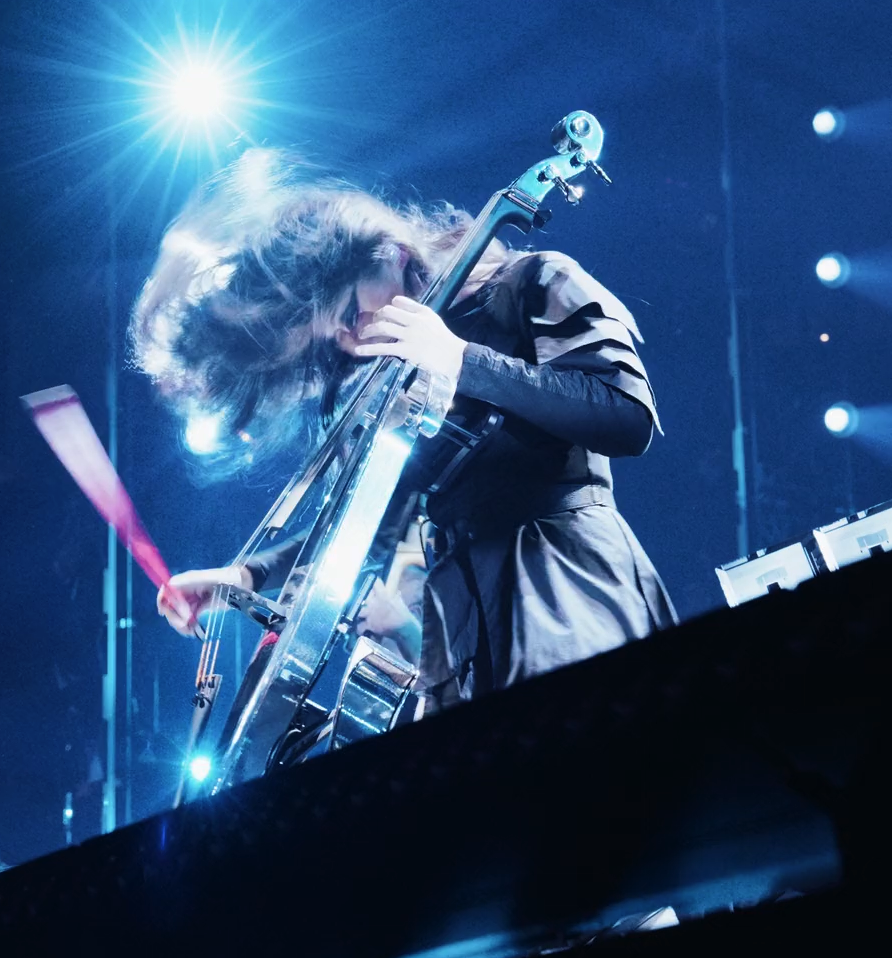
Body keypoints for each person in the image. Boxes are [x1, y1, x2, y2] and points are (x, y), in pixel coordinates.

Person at [138, 148, 676, 705]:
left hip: (566, 592)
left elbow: (626, 415)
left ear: (395, 254)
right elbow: (370, 525)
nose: (354, 339)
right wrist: (245, 579)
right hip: (460, 638)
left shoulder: (534, 281)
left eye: (350, 314)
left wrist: (461, 358)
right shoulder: (399, 380)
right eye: (336, 337)